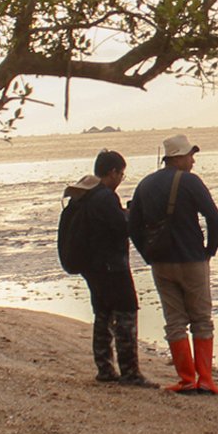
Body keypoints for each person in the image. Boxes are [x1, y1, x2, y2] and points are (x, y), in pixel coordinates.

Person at [127, 133, 218, 394]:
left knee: (175, 321)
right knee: (202, 319)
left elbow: (133, 225)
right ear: (179, 157)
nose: (193, 161)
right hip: (192, 259)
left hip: (161, 262)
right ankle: (205, 379)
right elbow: (214, 219)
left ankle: (186, 379)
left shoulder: (145, 184)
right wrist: (209, 251)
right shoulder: (190, 182)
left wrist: (147, 255)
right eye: (191, 155)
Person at [60, 151, 149, 386]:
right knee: (126, 313)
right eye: (121, 173)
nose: (121, 178)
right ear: (112, 172)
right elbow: (121, 227)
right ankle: (130, 372)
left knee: (102, 315)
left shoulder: (85, 195)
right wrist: (131, 215)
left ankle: (105, 368)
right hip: (111, 266)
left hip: (92, 267)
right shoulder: (105, 197)